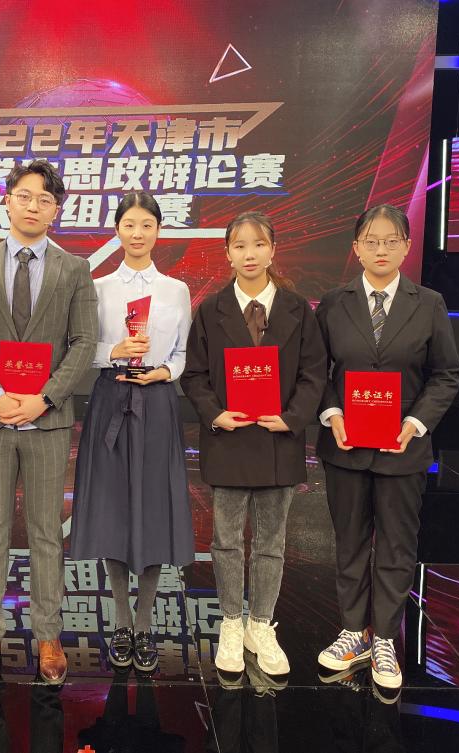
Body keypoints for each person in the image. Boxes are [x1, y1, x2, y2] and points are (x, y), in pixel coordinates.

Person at [0, 159, 99, 688]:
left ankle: (49, 635)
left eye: (45, 199)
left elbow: (84, 341)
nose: (34, 206)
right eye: (25, 196)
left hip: (46, 422)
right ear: (7, 200)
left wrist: (45, 399)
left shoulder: (75, 269)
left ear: (57, 211)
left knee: (45, 533)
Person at [315, 204, 459, 690]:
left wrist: (416, 423)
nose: (381, 249)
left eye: (391, 240)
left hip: (403, 448)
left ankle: (384, 639)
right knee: (350, 542)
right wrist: (332, 414)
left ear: (406, 247)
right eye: (371, 241)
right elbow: (317, 371)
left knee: (397, 544)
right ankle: (353, 631)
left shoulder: (429, 303)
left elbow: (447, 373)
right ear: (356, 248)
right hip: (346, 446)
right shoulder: (333, 303)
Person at [181, 211, 326, 677]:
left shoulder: (297, 308)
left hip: (278, 440)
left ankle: (261, 624)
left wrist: (292, 418)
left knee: (271, 541)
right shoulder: (211, 310)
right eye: (240, 246)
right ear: (227, 253)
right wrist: (214, 413)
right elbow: (195, 375)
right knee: (225, 540)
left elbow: (314, 373)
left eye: (258, 244)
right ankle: (230, 622)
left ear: (272, 250)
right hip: (229, 439)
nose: (249, 254)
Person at [70, 190, 194, 673]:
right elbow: (82, 348)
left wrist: (165, 372)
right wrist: (113, 352)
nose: (138, 233)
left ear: (159, 231)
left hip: (157, 403)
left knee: (153, 510)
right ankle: (121, 621)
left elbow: (182, 353)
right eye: (129, 224)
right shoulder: (97, 287)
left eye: (147, 225)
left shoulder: (175, 289)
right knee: (114, 513)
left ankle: (145, 625)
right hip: (110, 398)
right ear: (117, 230)